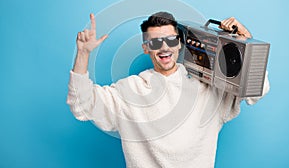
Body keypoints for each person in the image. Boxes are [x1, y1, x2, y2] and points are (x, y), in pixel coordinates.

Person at [67, 12, 270, 168]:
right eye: (155, 42)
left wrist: (246, 42)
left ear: (180, 44)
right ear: (145, 47)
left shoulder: (208, 86)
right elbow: (83, 106)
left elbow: (255, 90)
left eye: (171, 40)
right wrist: (83, 53)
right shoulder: (129, 90)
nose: (164, 48)